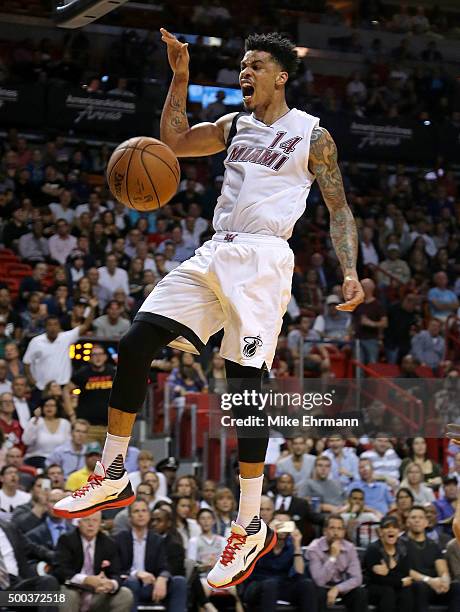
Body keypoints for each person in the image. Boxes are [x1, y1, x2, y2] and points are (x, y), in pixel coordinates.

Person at [54, 29, 365, 591]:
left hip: (265, 259)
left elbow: (339, 209)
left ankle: (249, 523)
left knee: (244, 384)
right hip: (216, 248)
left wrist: (348, 270)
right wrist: (179, 78)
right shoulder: (234, 125)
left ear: (280, 75)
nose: (244, 73)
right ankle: (112, 471)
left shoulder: (312, 135)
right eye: (241, 66)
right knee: (136, 342)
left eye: (254, 66)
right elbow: (171, 142)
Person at [54, 511, 133, 612]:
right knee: (68, 595)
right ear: (78, 522)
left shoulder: (109, 543)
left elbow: (116, 572)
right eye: (87, 520)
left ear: (100, 523)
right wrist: (85, 579)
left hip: (98, 593)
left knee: (125, 594)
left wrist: (111, 584)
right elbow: (60, 570)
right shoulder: (67, 540)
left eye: (95, 520)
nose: (91, 524)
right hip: (73, 588)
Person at [117, 498, 187, 612]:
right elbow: (117, 569)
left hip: (153, 585)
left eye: (144, 511)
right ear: (130, 518)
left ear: (149, 516)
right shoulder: (120, 539)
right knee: (132, 583)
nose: (140, 514)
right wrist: (136, 574)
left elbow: (164, 566)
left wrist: (163, 578)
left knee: (179, 581)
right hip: (130, 584)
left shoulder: (157, 540)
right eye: (136, 511)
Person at [238, 510, 316, 611]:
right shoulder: (258, 540)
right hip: (256, 585)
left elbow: (299, 572)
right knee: (271, 584)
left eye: (286, 524)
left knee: (307, 584)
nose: (282, 527)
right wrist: (269, 536)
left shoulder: (291, 544)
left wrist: (297, 545)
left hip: (282, 586)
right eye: (279, 523)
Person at [402, 506, 460, 612]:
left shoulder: (433, 545)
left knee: (457, 587)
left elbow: (442, 568)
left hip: (435, 586)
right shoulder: (401, 543)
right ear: (407, 522)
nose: (417, 520)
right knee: (421, 586)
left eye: (420, 517)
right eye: (413, 517)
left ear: (426, 522)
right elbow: (405, 569)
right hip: (415, 585)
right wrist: (428, 580)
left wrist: (445, 580)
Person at [23, 311, 96, 393]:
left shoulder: (66, 337)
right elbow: (26, 363)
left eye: (55, 324)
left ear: (59, 326)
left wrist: (92, 307)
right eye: (50, 325)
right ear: (45, 327)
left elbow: (85, 326)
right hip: (43, 388)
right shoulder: (36, 342)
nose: (53, 327)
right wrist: (33, 382)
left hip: (63, 387)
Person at [307, 514, 367, 611]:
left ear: (344, 532)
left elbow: (357, 578)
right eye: (332, 528)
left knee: (360, 592)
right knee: (318, 593)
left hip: (342, 589)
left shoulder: (350, 548)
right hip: (321, 588)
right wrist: (333, 557)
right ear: (325, 531)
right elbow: (319, 581)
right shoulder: (314, 548)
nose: (336, 532)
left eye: (340, 529)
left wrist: (337, 589)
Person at [0, 516, 59, 611]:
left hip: (14, 589)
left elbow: (32, 548)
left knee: (48, 582)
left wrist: (60, 557)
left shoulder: (8, 527)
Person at [363, 514, 413, 612]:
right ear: (381, 532)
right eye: (386, 527)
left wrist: (388, 574)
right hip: (373, 588)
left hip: (394, 586)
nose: (391, 530)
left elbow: (405, 573)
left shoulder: (403, 548)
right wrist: (399, 581)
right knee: (388, 591)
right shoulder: (373, 549)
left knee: (407, 592)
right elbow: (378, 579)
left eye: (394, 527)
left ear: (398, 531)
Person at [70, 346, 115, 446]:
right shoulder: (82, 373)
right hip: (88, 427)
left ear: (105, 357)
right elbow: (66, 390)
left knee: (108, 460)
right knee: (88, 458)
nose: (98, 357)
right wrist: (71, 413)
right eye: (94, 355)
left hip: (110, 427)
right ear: (90, 358)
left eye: (100, 354)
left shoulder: (113, 372)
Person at [22, 398, 71, 469]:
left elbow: (68, 445)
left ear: (57, 408)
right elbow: (26, 441)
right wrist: (35, 420)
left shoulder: (65, 423)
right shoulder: (35, 420)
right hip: (37, 458)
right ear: (42, 408)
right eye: (46, 406)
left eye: (52, 406)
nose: (49, 408)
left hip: (58, 460)